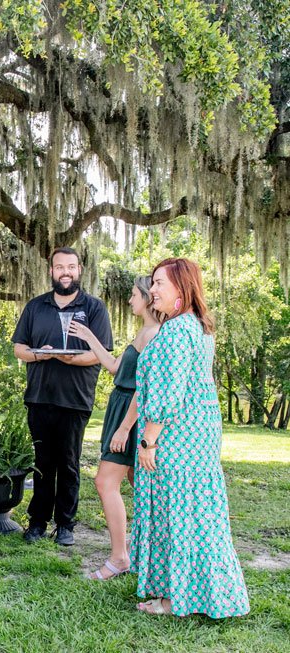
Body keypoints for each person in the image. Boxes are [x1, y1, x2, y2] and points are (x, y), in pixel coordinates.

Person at [130, 258, 249, 617]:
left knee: (178, 514)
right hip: (199, 433)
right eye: (152, 284)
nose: (152, 290)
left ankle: (174, 599)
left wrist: (149, 440)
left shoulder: (177, 331)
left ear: (182, 289)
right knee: (198, 516)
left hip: (178, 436)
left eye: (159, 284)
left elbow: (168, 392)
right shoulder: (197, 326)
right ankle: (197, 593)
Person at [12, 247, 113, 546]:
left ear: (79, 269)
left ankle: (66, 524)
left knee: (69, 463)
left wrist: (72, 359)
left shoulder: (94, 308)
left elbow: (100, 354)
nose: (65, 272)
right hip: (40, 396)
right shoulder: (36, 307)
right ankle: (37, 522)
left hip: (75, 398)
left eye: (70, 266)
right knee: (43, 463)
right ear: (51, 271)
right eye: (59, 267)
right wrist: (39, 356)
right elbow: (19, 349)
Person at [68, 276, 161, 579]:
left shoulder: (155, 333)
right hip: (119, 405)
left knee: (105, 482)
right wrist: (88, 336)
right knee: (143, 487)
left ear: (147, 297)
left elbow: (144, 387)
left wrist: (124, 428)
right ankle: (153, 552)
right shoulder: (143, 331)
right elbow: (114, 367)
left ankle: (120, 557)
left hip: (130, 415)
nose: (130, 300)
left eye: (134, 295)